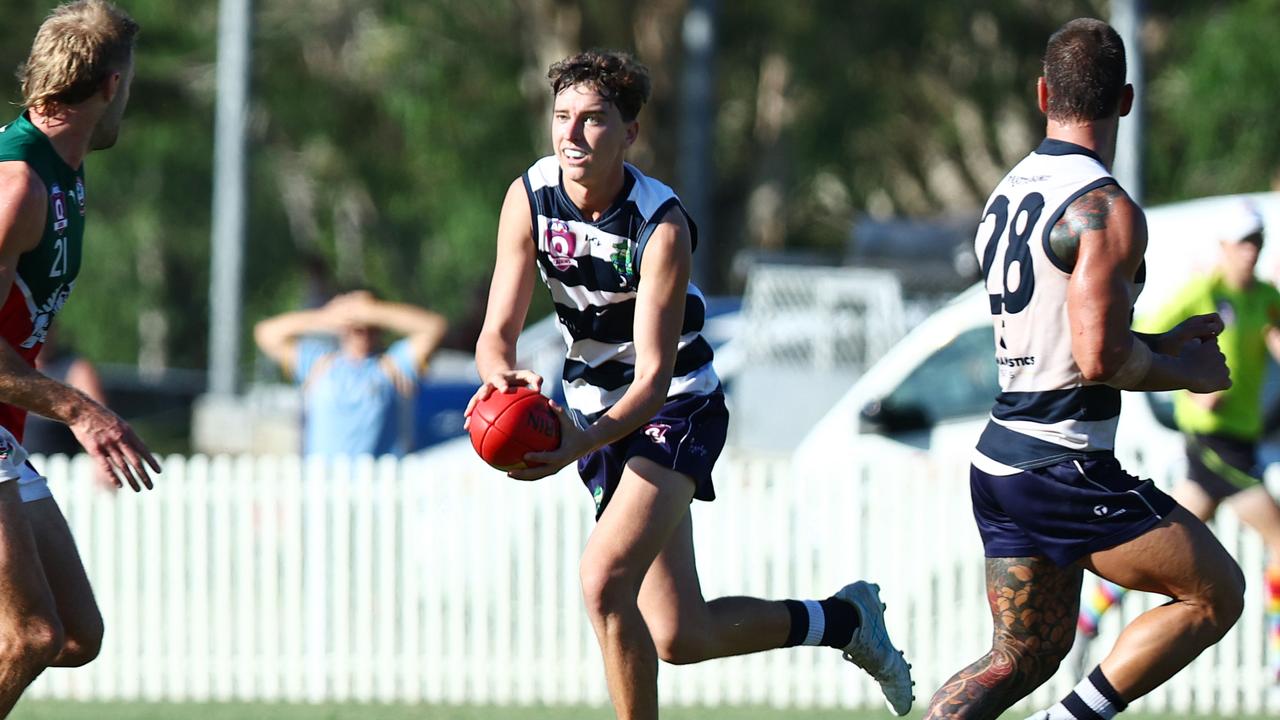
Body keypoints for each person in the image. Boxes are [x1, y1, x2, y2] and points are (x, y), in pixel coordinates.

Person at [465, 49, 913, 719]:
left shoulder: (660, 225)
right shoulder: (529, 197)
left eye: (593, 120)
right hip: (595, 411)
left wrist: (575, 443)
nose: (572, 135)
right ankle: (843, 621)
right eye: (562, 118)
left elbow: (651, 381)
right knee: (680, 633)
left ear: (629, 134)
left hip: (676, 405)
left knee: (602, 580)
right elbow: (495, 334)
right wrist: (498, 374)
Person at [923, 19, 1244, 720]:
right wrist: (1182, 372)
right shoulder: (1104, 207)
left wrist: (1161, 340)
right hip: (1060, 465)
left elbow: (1061, 337)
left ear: (1043, 94)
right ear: (1125, 100)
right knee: (1216, 592)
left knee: (1020, 656)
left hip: (1002, 459)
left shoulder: (1007, 192)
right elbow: (1097, 358)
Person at [0, 2, 159, 715]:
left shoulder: (66, 169)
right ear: (108, 87)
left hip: (4, 425)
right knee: (31, 633)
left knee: (74, 632)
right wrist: (82, 411)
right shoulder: (18, 187)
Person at [1077, 200, 1280, 685]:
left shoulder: (1265, 295)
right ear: (1223, 247)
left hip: (1241, 440)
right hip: (1213, 443)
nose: (1250, 252)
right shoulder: (1202, 290)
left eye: (1257, 242)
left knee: (1169, 547)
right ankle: (1278, 659)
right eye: (1242, 243)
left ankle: (1090, 616)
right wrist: (1189, 379)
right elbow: (1146, 336)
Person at [254, 289, 447, 457]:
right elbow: (266, 333)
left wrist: (373, 311)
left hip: (379, 485)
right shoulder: (318, 363)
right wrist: (324, 317)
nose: (361, 326)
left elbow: (435, 327)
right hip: (323, 485)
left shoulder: (391, 365)